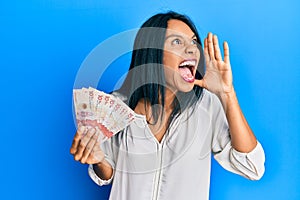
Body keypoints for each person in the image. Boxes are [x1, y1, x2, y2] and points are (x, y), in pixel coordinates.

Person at [70, 11, 265, 200]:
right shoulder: (117, 106)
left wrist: (227, 94)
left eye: (193, 42)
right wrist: (98, 159)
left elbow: (252, 167)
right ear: (153, 53)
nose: (191, 48)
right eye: (177, 42)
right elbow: (106, 175)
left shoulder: (208, 105)